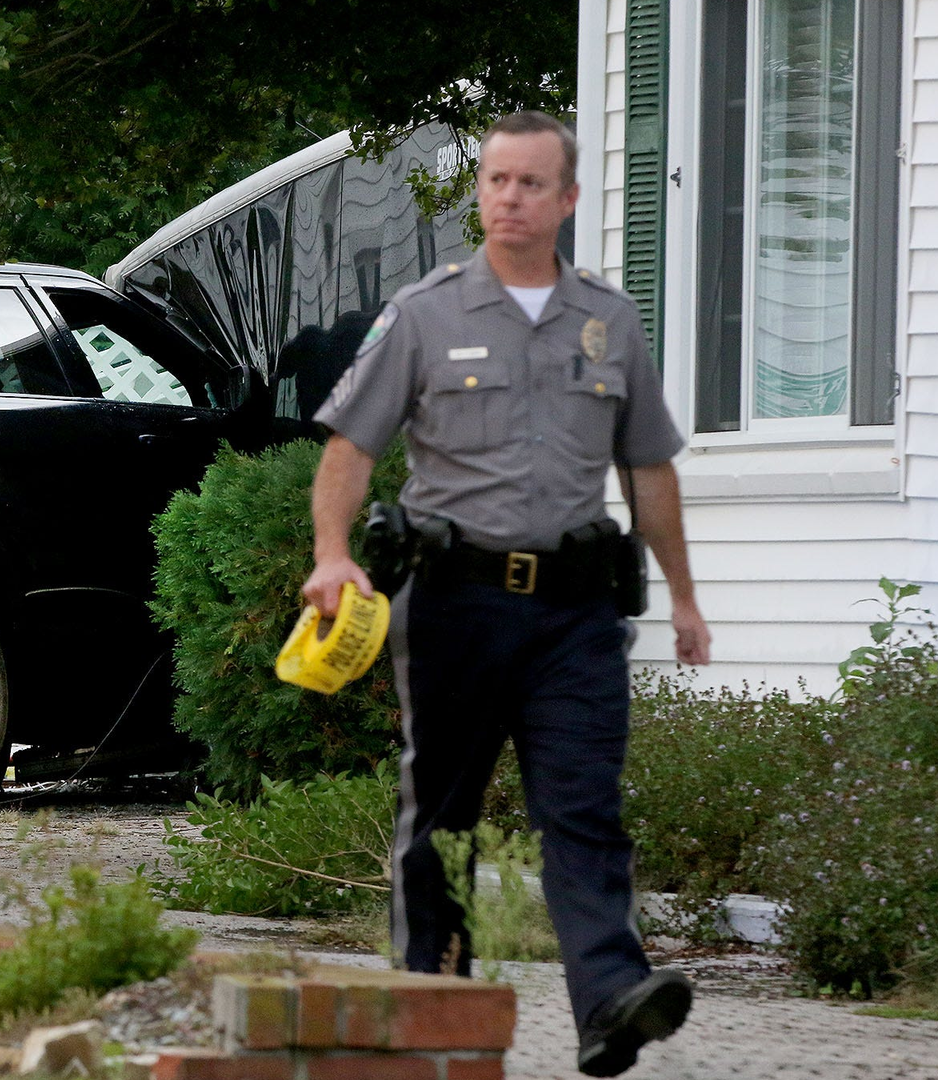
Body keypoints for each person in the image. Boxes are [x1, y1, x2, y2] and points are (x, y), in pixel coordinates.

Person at [301, 110, 712, 1078]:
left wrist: (685, 599)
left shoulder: (610, 322)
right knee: (441, 814)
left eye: (530, 184)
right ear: (480, 191)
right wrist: (331, 553)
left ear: (567, 199)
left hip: (575, 613)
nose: (510, 199)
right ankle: (434, 1001)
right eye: (496, 181)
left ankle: (609, 1002)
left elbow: (649, 468)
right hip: (456, 606)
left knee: (584, 807)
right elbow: (351, 447)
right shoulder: (425, 314)